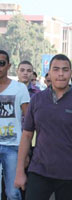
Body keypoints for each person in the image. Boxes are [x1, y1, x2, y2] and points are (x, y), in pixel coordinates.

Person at [14, 54, 72, 200]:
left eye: (65, 70)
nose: (60, 74)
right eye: (56, 69)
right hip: (39, 170)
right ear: (49, 73)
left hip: (71, 174)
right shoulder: (37, 100)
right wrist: (20, 171)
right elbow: (26, 136)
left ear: (70, 73)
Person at [0, 50, 29, 200]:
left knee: (12, 193)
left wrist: (26, 152)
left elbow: (30, 121)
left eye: (1, 63)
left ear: (8, 66)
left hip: (13, 147)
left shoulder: (20, 89)